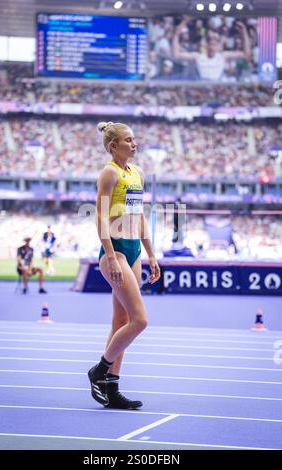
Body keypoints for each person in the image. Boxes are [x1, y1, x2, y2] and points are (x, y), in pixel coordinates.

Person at [88, 121, 161, 409]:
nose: (134, 144)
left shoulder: (137, 173)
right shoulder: (109, 173)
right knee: (140, 321)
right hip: (116, 250)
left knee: (121, 322)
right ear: (113, 146)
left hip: (134, 251)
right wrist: (109, 253)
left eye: (134, 139)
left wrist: (151, 253)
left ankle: (112, 389)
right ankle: (99, 370)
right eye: (128, 140)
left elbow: (139, 216)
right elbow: (101, 217)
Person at [173, 19, 251, 81]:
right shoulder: (199, 56)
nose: (212, 47)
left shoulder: (222, 56)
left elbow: (245, 54)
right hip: (201, 85)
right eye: (210, 44)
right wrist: (176, 34)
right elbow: (176, 54)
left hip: (217, 86)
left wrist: (244, 33)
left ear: (218, 46)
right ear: (207, 45)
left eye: (214, 45)